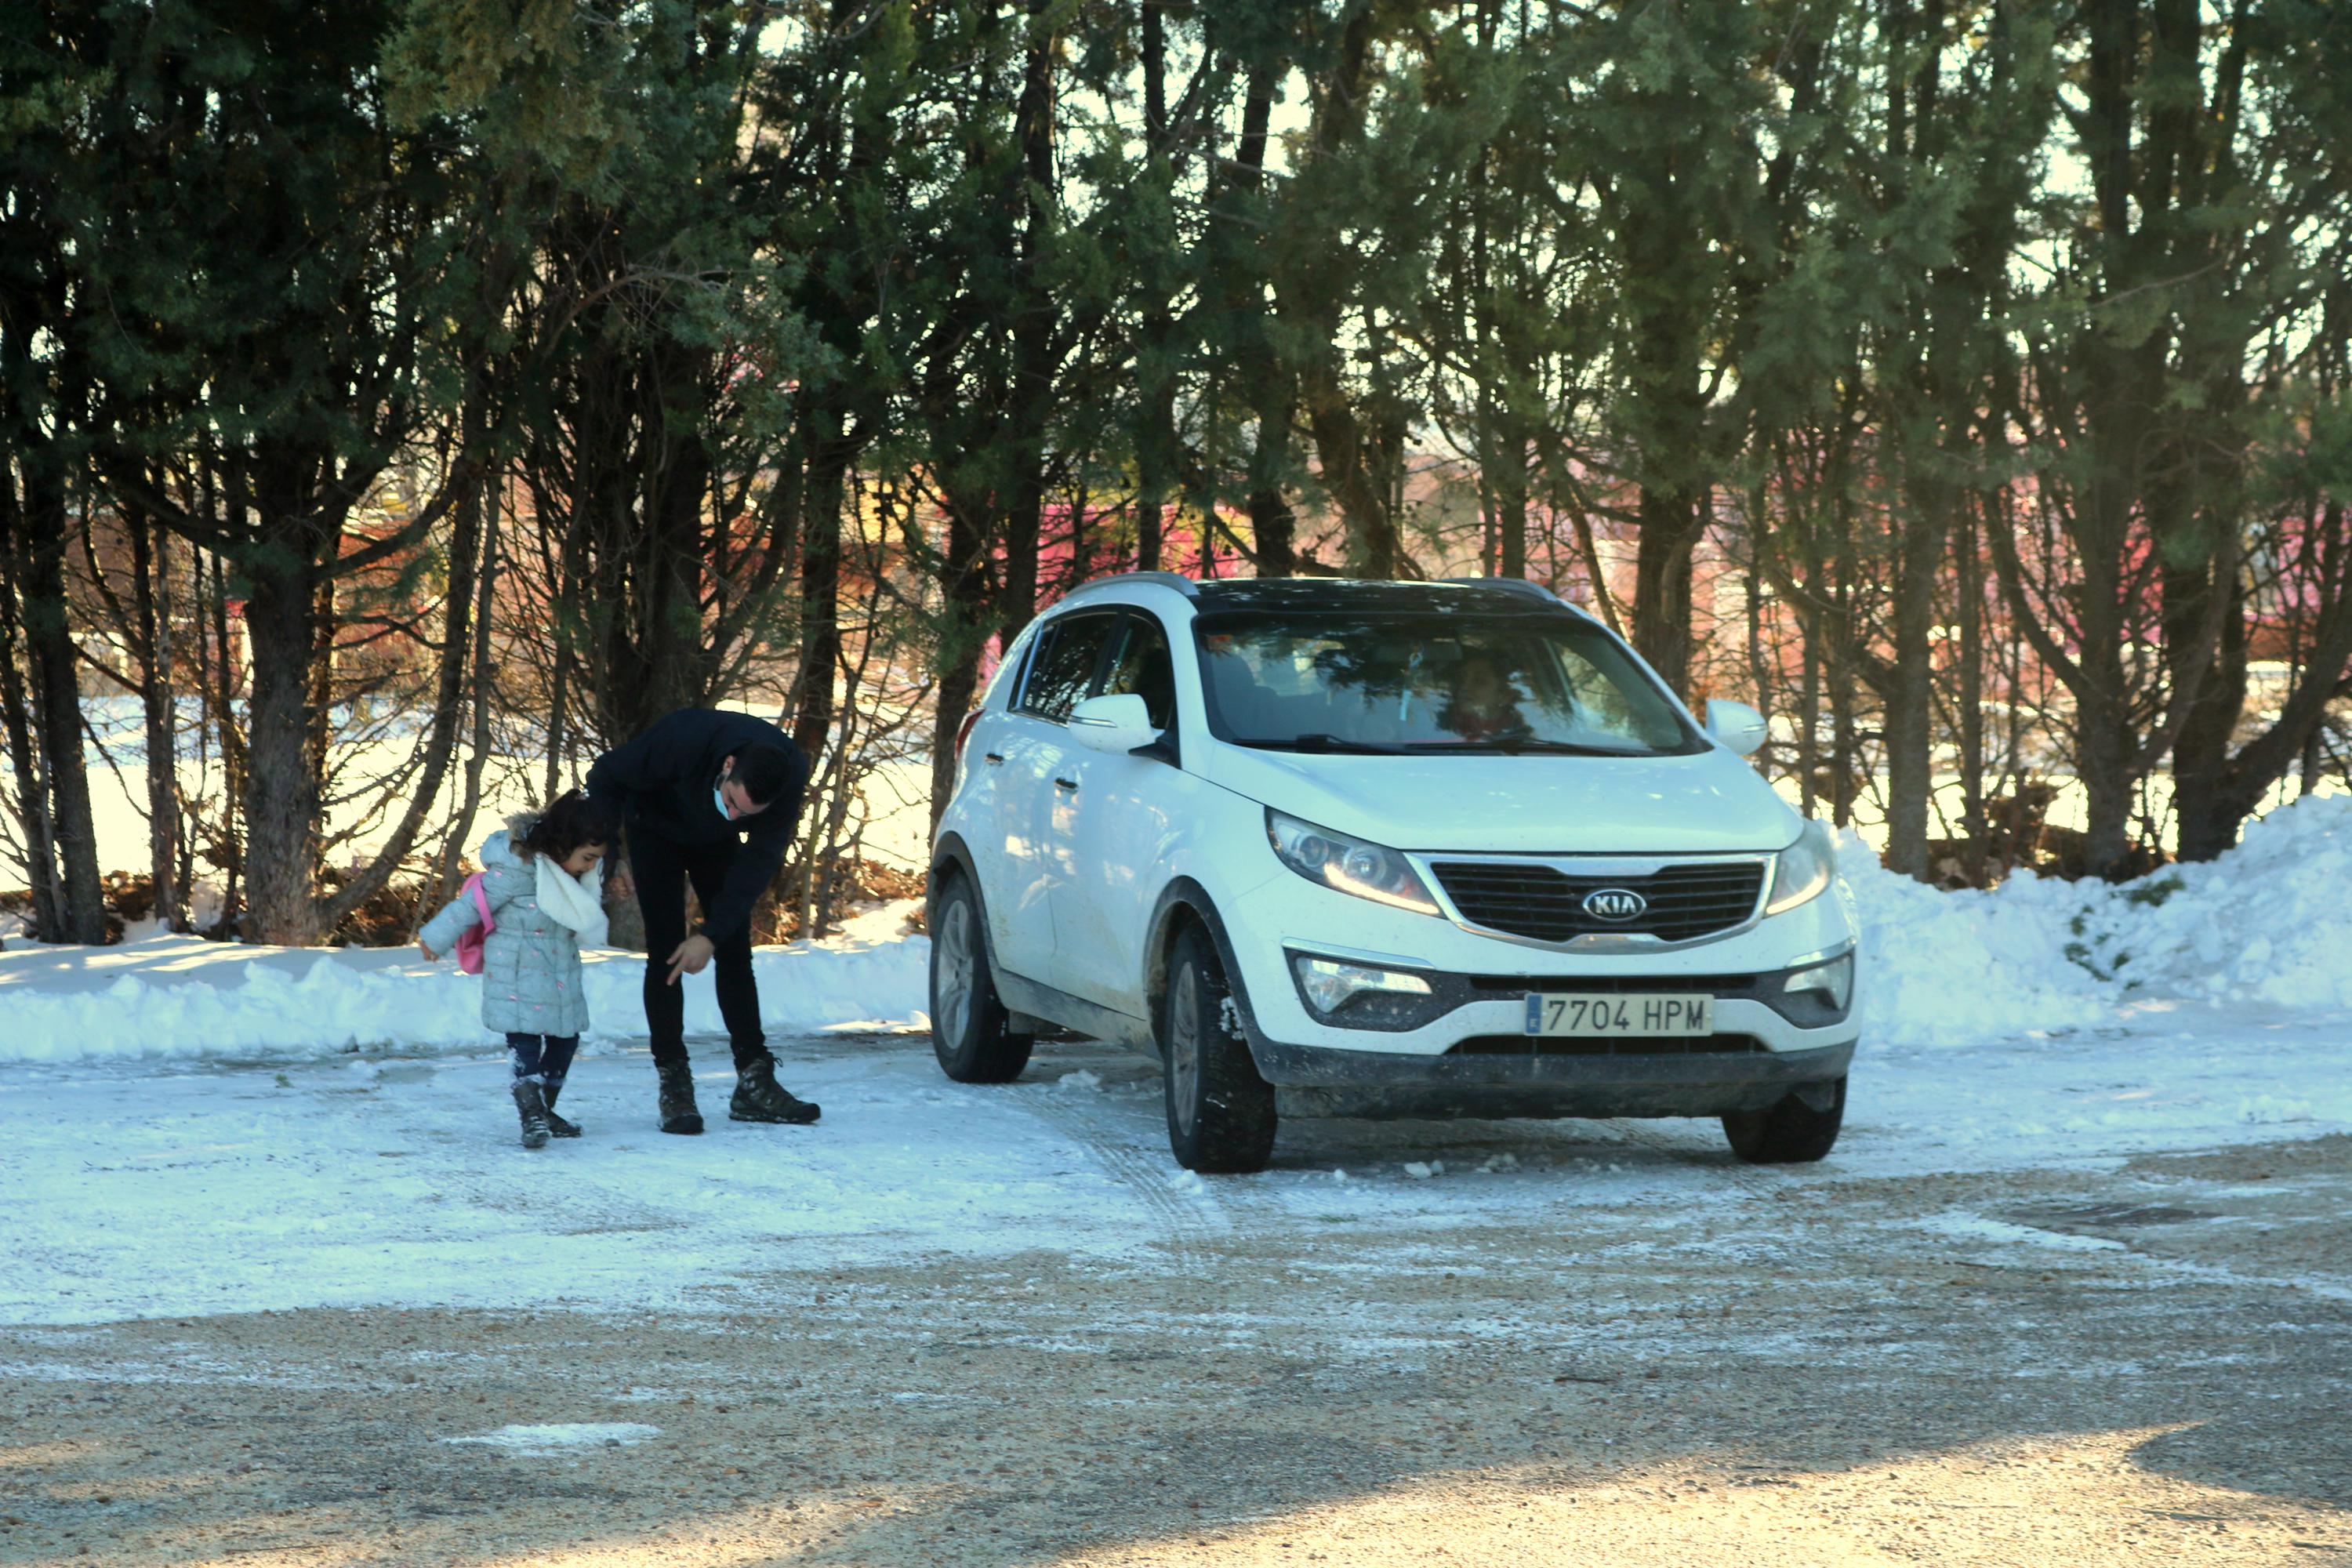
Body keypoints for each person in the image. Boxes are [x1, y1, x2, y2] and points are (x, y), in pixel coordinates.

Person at [585, 707, 819, 1135]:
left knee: (734, 947)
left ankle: (754, 1081)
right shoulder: (683, 739)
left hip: (715, 844)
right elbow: (606, 776)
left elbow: (759, 862)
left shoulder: (786, 776)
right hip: (654, 827)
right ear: (727, 766)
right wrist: (611, 854)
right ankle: (674, 1083)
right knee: (667, 950)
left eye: (746, 814)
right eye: (731, 801)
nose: (735, 815)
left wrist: (711, 934)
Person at [417, 790, 621, 1149]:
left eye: (596, 860)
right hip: (515, 976)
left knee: (566, 1040)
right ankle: (531, 1114)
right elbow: (469, 907)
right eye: (588, 858)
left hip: (559, 976)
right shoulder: (516, 869)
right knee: (525, 1045)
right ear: (564, 844)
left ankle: (544, 1108)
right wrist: (435, 938)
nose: (592, 867)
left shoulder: (572, 876)